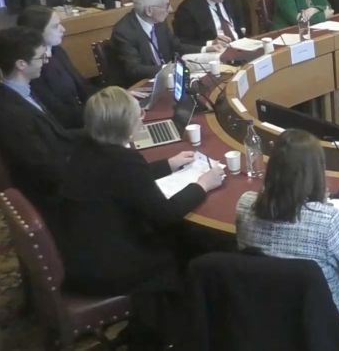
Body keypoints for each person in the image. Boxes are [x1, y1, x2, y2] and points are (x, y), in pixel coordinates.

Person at [55, 87, 224, 348]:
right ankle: (172, 332)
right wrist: (202, 185)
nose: (143, 117)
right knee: (186, 246)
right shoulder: (123, 161)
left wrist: (168, 164)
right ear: (123, 126)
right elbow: (165, 215)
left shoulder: (88, 147)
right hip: (105, 268)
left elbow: (128, 182)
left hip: (78, 252)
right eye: (138, 115)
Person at [236, 129, 339, 324]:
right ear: (315, 173)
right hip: (327, 321)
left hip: (269, 312)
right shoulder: (328, 221)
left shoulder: (244, 205)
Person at [0, 26, 81, 216]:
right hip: (56, 197)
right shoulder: (10, 114)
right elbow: (45, 170)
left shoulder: (23, 92)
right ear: (21, 64)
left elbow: (58, 135)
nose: (46, 60)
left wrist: (103, 132)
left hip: (62, 170)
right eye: (40, 57)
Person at [111, 0, 221, 86]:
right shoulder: (124, 32)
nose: (170, 9)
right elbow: (134, 69)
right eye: (166, 5)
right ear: (149, 11)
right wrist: (169, 68)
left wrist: (206, 49)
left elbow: (177, 46)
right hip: (144, 85)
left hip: (170, 80)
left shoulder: (158, 22)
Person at [17, 5, 97, 129]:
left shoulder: (57, 51)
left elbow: (83, 86)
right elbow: (59, 114)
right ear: (37, 33)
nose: (63, 29)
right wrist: (100, 113)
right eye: (55, 26)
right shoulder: (34, 67)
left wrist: (112, 99)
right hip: (70, 129)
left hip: (86, 118)